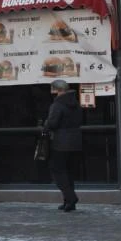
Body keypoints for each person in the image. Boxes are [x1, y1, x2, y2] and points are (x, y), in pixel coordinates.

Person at [43, 79, 83, 211]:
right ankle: (68, 203)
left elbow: (53, 124)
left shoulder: (57, 105)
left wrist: (46, 124)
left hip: (60, 142)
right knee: (69, 172)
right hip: (76, 141)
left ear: (57, 90)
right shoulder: (75, 103)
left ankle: (71, 197)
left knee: (57, 170)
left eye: (52, 88)